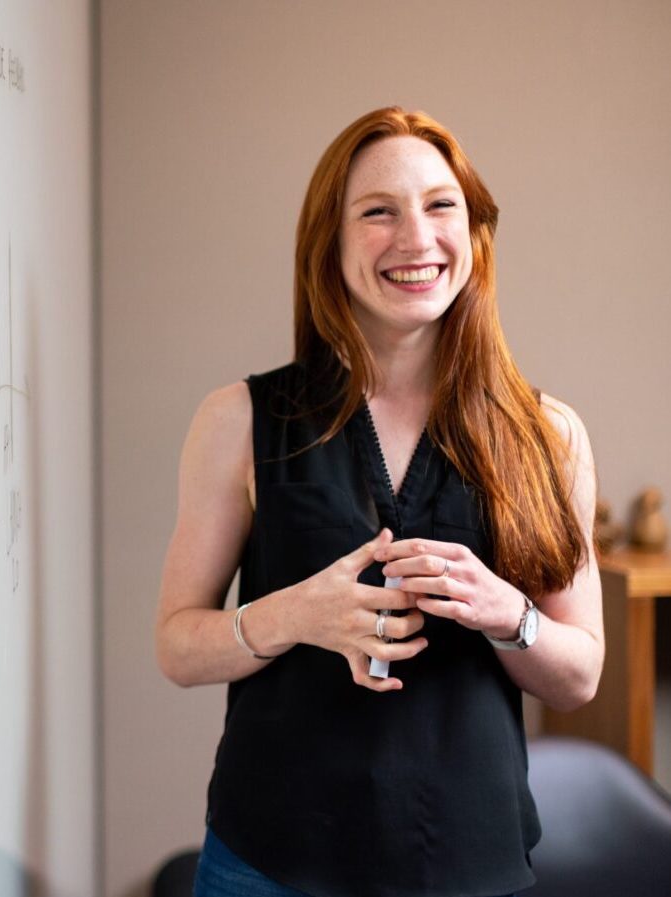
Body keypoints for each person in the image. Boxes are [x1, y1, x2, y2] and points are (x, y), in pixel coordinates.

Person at [156, 107, 603, 897]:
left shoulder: (550, 434)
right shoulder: (238, 420)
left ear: (474, 232)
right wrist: (293, 615)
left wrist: (508, 613)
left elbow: (579, 674)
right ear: (329, 241)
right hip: (269, 865)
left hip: (472, 866)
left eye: (440, 205)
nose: (415, 237)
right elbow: (178, 646)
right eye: (378, 212)